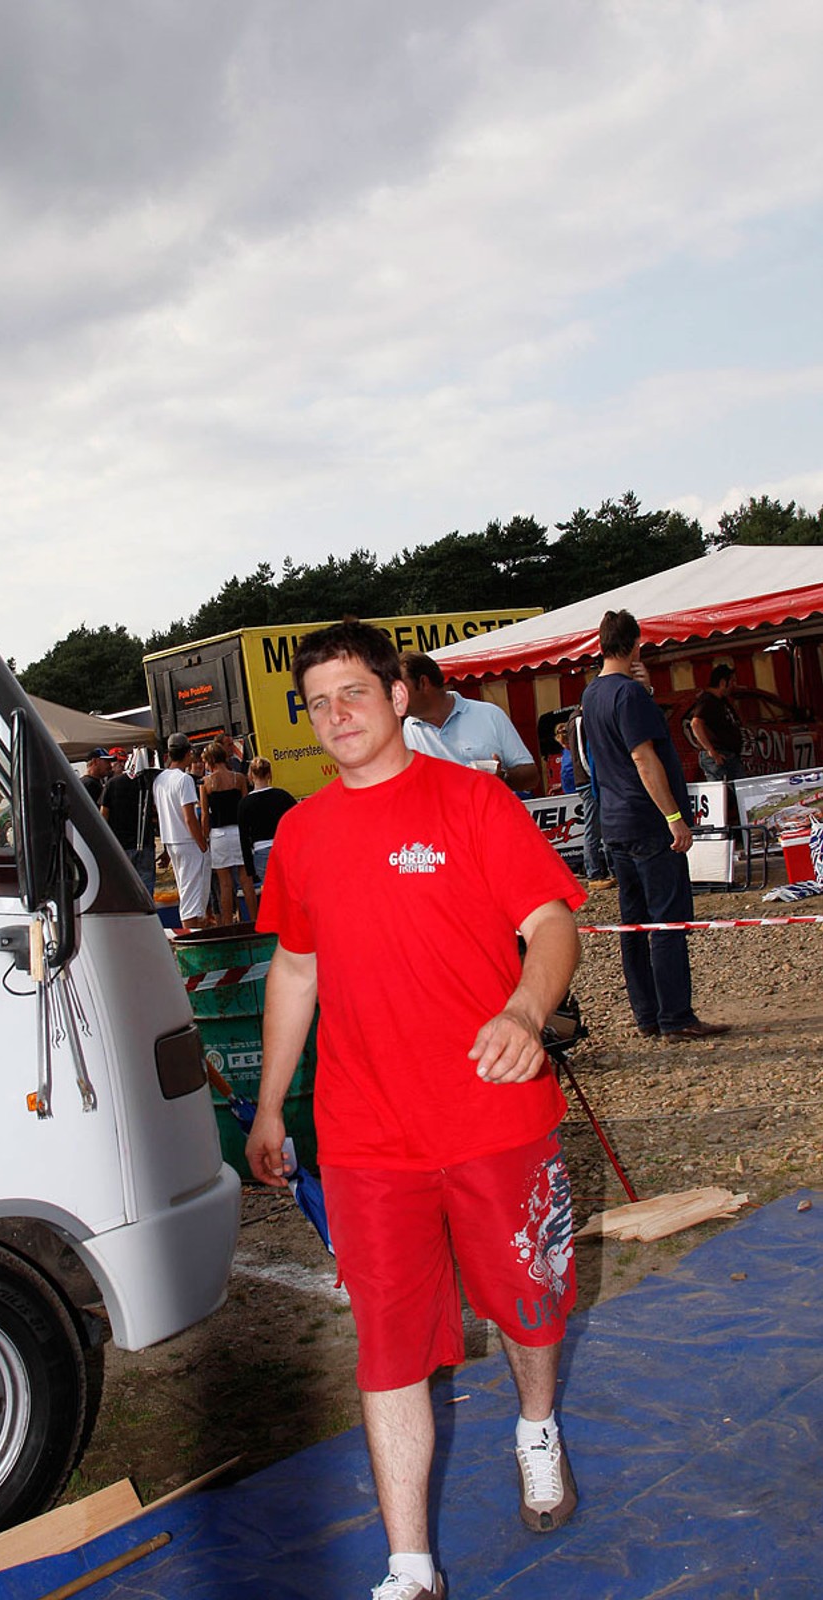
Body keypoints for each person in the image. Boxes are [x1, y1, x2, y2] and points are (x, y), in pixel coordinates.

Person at [245, 620, 584, 1600]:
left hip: (493, 1119)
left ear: (398, 696)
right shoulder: (302, 833)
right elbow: (295, 969)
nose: (338, 715)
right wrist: (271, 1107)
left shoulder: (470, 801)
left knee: (528, 1311)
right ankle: (411, 1568)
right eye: (319, 702)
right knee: (388, 1346)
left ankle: (535, 1425)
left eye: (354, 691)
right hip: (365, 1138)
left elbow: (550, 921)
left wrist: (526, 1005)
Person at [582, 610, 730, 1042]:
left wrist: (643, 689)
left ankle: (647, 1014)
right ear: (634, 645)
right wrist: (674, 818)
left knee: (633, 923)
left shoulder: (593, 695)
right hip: (647, 820)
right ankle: (675, 1015)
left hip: (615, 821)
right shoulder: (628, 696)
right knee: (666, 920)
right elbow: (643, 758)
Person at [398, 650, 539, 792]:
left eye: (400, 688)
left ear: (423, 683)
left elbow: (531, 775)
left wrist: (502, 779)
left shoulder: (489, 714)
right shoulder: (406, 731)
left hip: (489, 812)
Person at [153, 732, 211, 931]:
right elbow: (189, 817)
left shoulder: (159, 779)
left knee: (187, 891)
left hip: (171, 840)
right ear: (187, 754)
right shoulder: (184, 780)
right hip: (187, 841)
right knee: (192, 897)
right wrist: (202, 844)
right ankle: (192, 937)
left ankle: (194, 932)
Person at [199, 742, 259, 924]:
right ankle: (256, 921)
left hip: (219, 835)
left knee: (225, 884)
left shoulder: (206, 784)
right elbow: (247, 807)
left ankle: (227, 923)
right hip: (239, 832)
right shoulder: (239, 778)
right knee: (246, 880)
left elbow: (204, 815)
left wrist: (204, 837)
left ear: (209, 761)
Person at [564, 705, 615, 891]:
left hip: (591, 779)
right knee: (593, 829)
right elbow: (581, 753)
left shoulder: (580, 718)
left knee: (603, 826)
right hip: (589, 780)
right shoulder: (579, 720)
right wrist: (593, 776)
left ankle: (611, 870)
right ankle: (594, 873)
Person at [101, 746, 158, 894]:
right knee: (146, 885)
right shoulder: (149, 783)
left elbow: (103, 815)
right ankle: (146, 913)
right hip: (144, 843)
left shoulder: (112, 784)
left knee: (124, 887)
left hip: (121, 844)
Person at [237, 757, 296, 887]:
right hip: (283, 848)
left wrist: (249, 868)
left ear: (251, 776)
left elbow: (244, 837)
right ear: (269, 774)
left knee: (272, 891)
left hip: (261, 851)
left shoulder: (245, 804)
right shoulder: (283, 796)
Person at [689, 666, 747, 785]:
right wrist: (711, 751)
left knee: (740, 790)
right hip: (719, 755)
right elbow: (695, 724)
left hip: (728, 754)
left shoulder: (721, 700)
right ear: (722, 682)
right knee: (723, 794)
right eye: (731, 682)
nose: (733, 685)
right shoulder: (707, 700)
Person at [554, 723, 575, 794]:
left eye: (566, 743)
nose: (565, 746)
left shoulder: (578, 750)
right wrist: (561, 785)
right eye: (562, 744)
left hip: (579, 790)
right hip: (568, 792)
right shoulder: (565, 752)